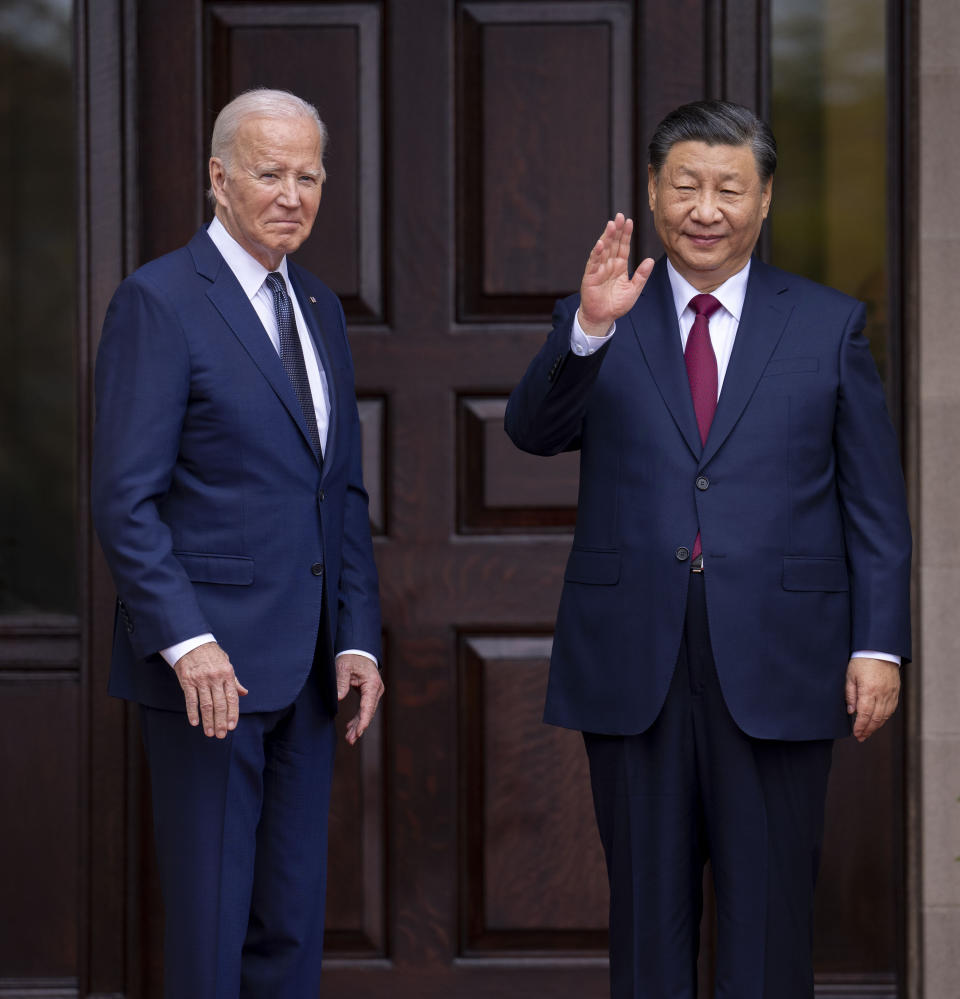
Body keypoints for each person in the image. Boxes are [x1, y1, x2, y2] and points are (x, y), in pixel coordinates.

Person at [505, 100, 911, 999]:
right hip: (634, 657)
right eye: (686, 184)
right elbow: (531, 431)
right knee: (648, 922)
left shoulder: (828, 324)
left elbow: (873, 503)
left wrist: (878, 645)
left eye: (730, 188)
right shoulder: (606, 313)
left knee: (768, 925)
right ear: (653, 195)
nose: (706, 207)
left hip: (780, 656)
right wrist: (589, 331)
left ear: (765, 200)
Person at [91, 88, 383, 997]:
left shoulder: (322, 308)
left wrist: (357, 633)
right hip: (205, 678)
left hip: (303, 674)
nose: (292, 193)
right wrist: (188, 641)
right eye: (269, 173)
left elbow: (336, 490)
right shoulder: (160, 300)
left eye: (310, 175)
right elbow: (123, 498)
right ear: (219, 179)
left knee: (290, 924)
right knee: (213, 927)